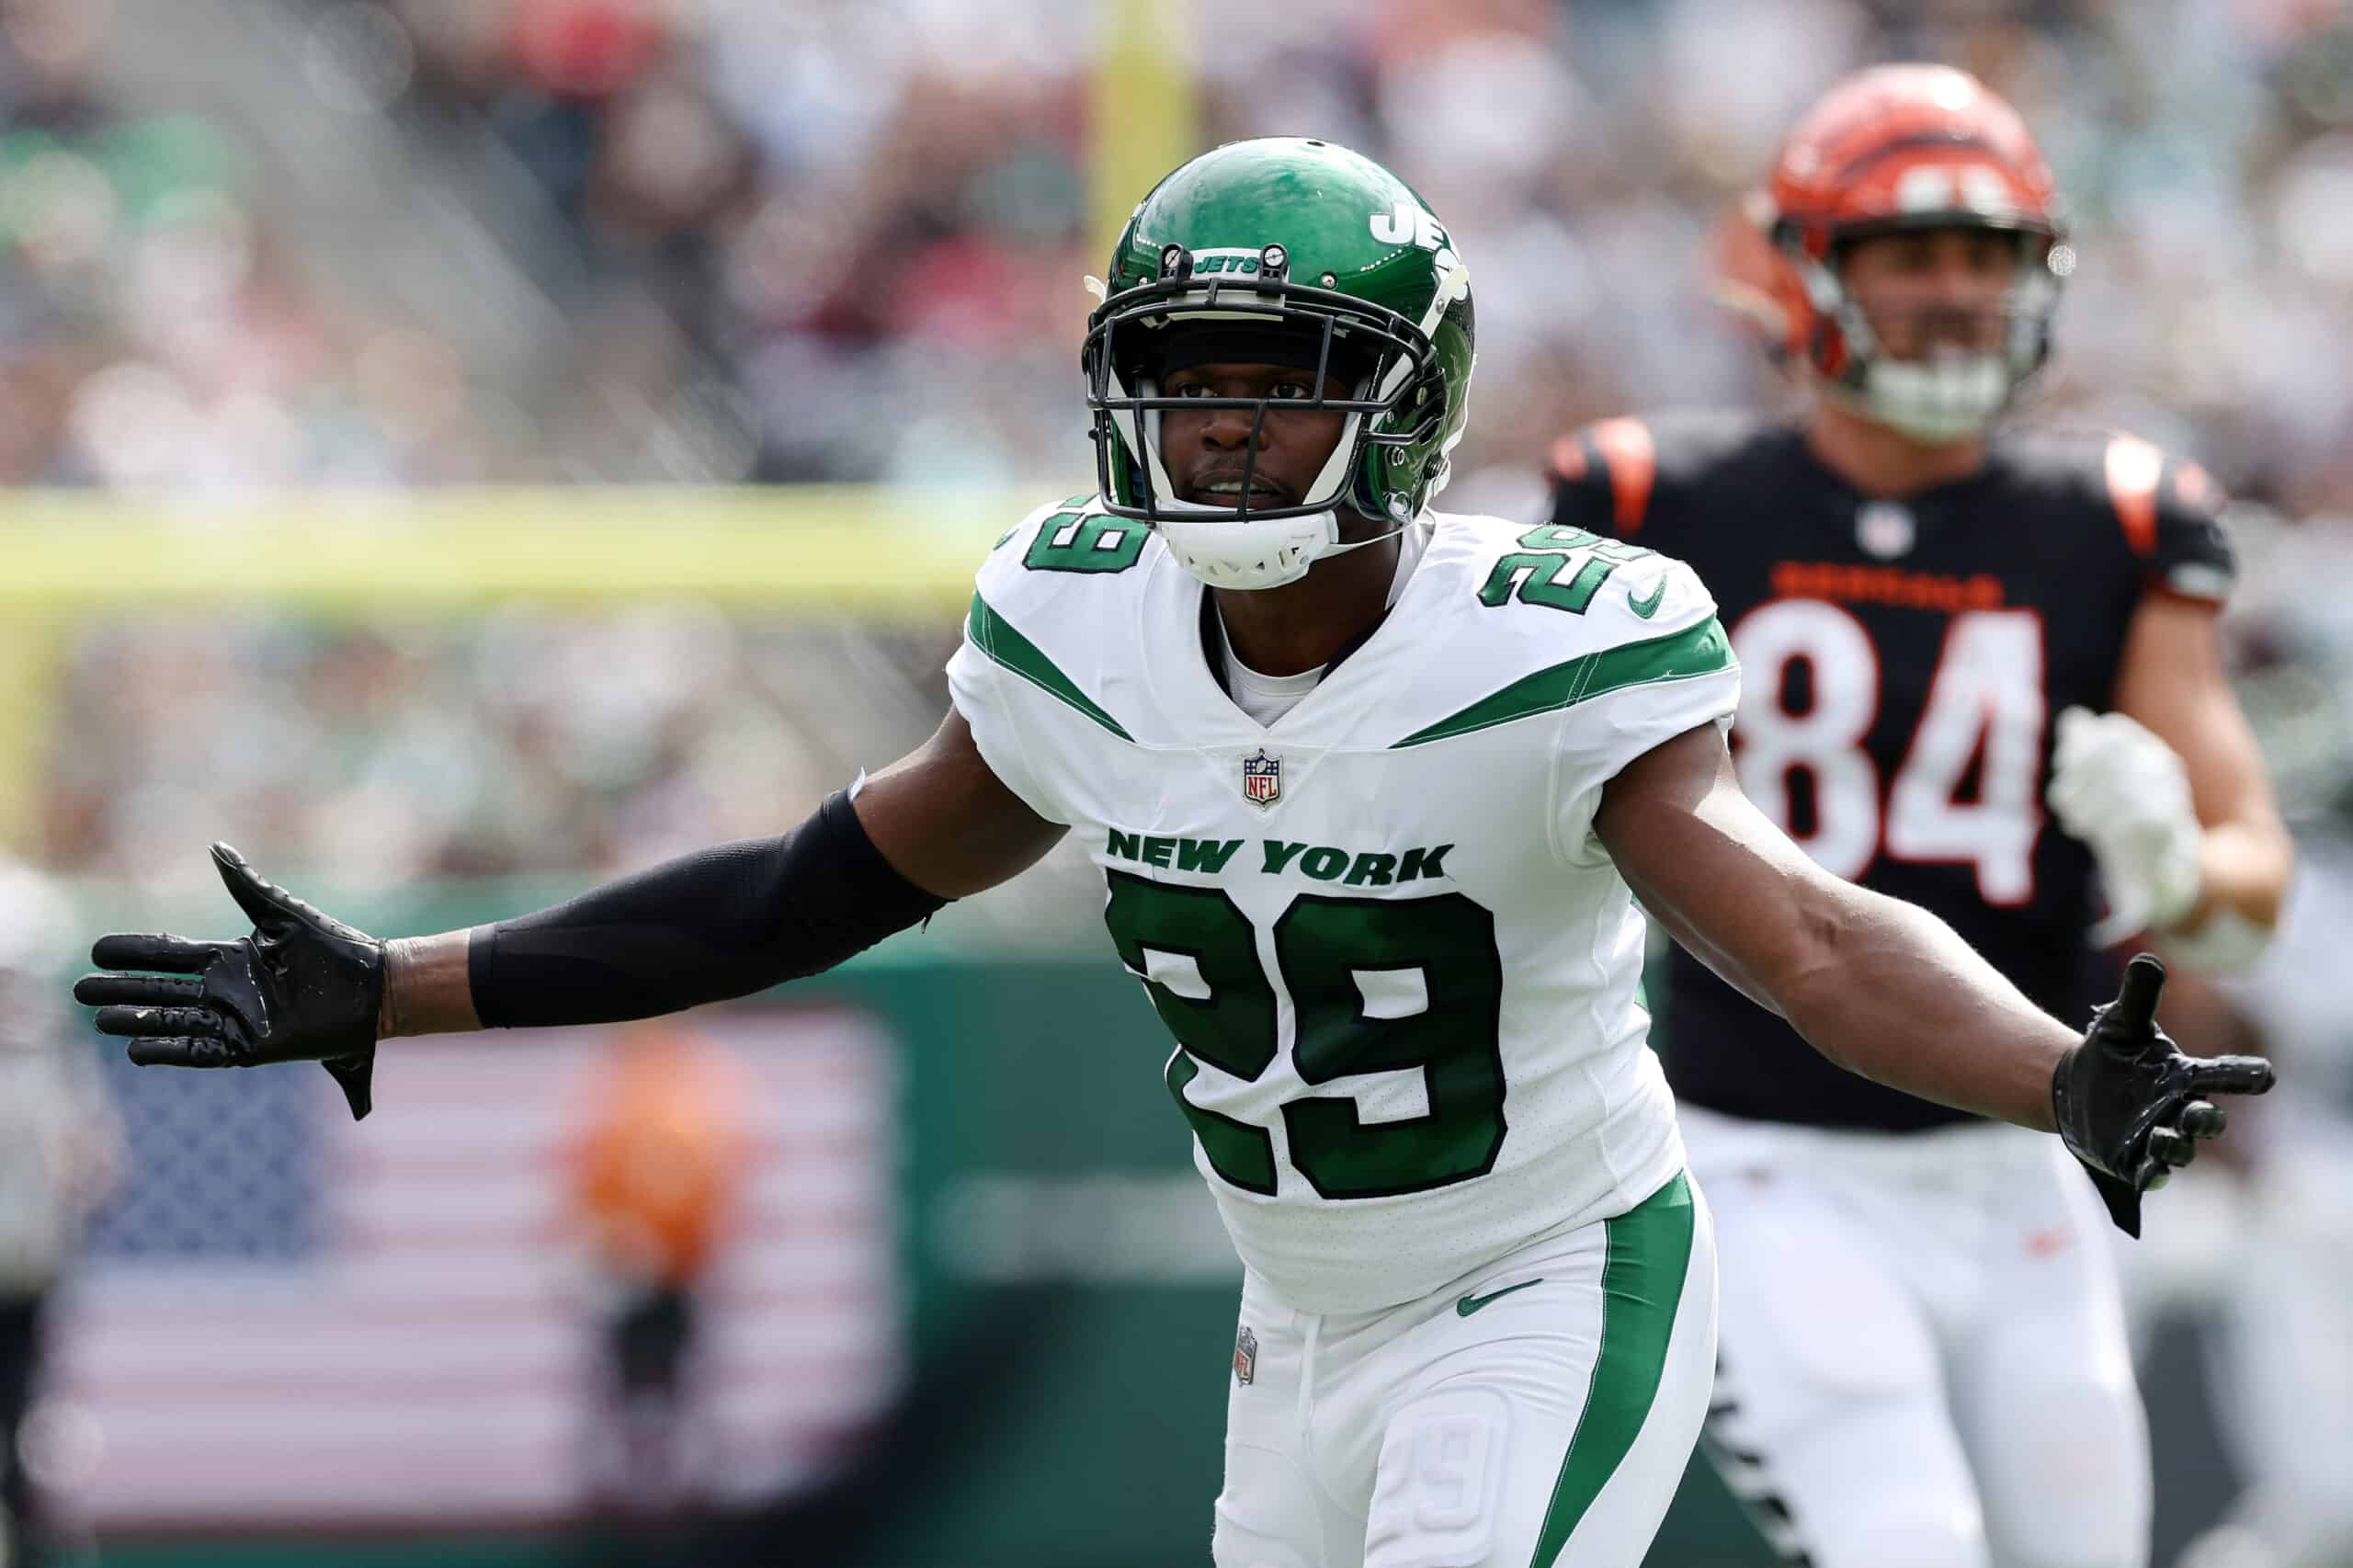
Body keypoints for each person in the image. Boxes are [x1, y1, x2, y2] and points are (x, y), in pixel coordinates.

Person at [73, 137, 2268, 1568]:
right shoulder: (1079, 622)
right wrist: (408, 982)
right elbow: (811, 881)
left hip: (1542, 1283)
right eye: (1184, 369)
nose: (1217, 418)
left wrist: (2047, 1070)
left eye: (1280, 373)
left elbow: (1791, 930)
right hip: (1293, 1311)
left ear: (1399, 405)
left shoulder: (1546, 646)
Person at [1543, 68, 2294, 1568]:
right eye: (1910, 253)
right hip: (1763, 1155)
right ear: (1809, 271)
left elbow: (2247, 885)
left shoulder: (2117, 519)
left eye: (1987, 255)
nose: (1954, 291)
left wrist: (2166, 865)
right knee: (1906, 1543)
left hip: (2028, 1146)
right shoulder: (1650, 500)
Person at [0, 860, 124, 1568]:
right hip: (27, 1265)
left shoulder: (53, 1061)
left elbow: (96, 1162)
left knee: (27, 1430)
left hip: (30, 1273)